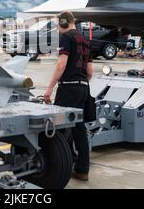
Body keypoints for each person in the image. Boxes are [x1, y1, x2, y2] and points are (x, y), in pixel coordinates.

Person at [43, 11, 94, 181]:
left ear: (64, 22)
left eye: (58, 25)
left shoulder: (65, 37)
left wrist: (49, 88)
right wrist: (81, 84)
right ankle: (82, 169)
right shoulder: (86, 40)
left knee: (58, 128)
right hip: (83, 88)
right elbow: (90, 72)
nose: (58, 29)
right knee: (79, 128)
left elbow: (61, 64)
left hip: (68, 89)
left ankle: (58, 165)